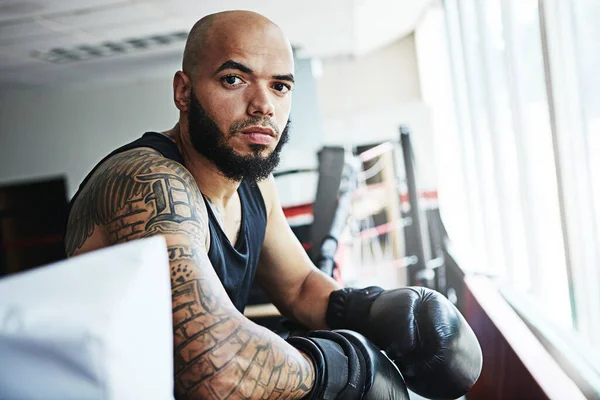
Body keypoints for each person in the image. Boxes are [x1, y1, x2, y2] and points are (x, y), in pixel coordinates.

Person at [64, 10, 482, 400]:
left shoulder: (253, 182)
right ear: (183, 91)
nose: (264, 104)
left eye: (279, 86)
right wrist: (345, 369)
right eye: (234, 80)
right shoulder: (150, 183)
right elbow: (214, 365)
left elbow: (299, 287)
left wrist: (367, 310)